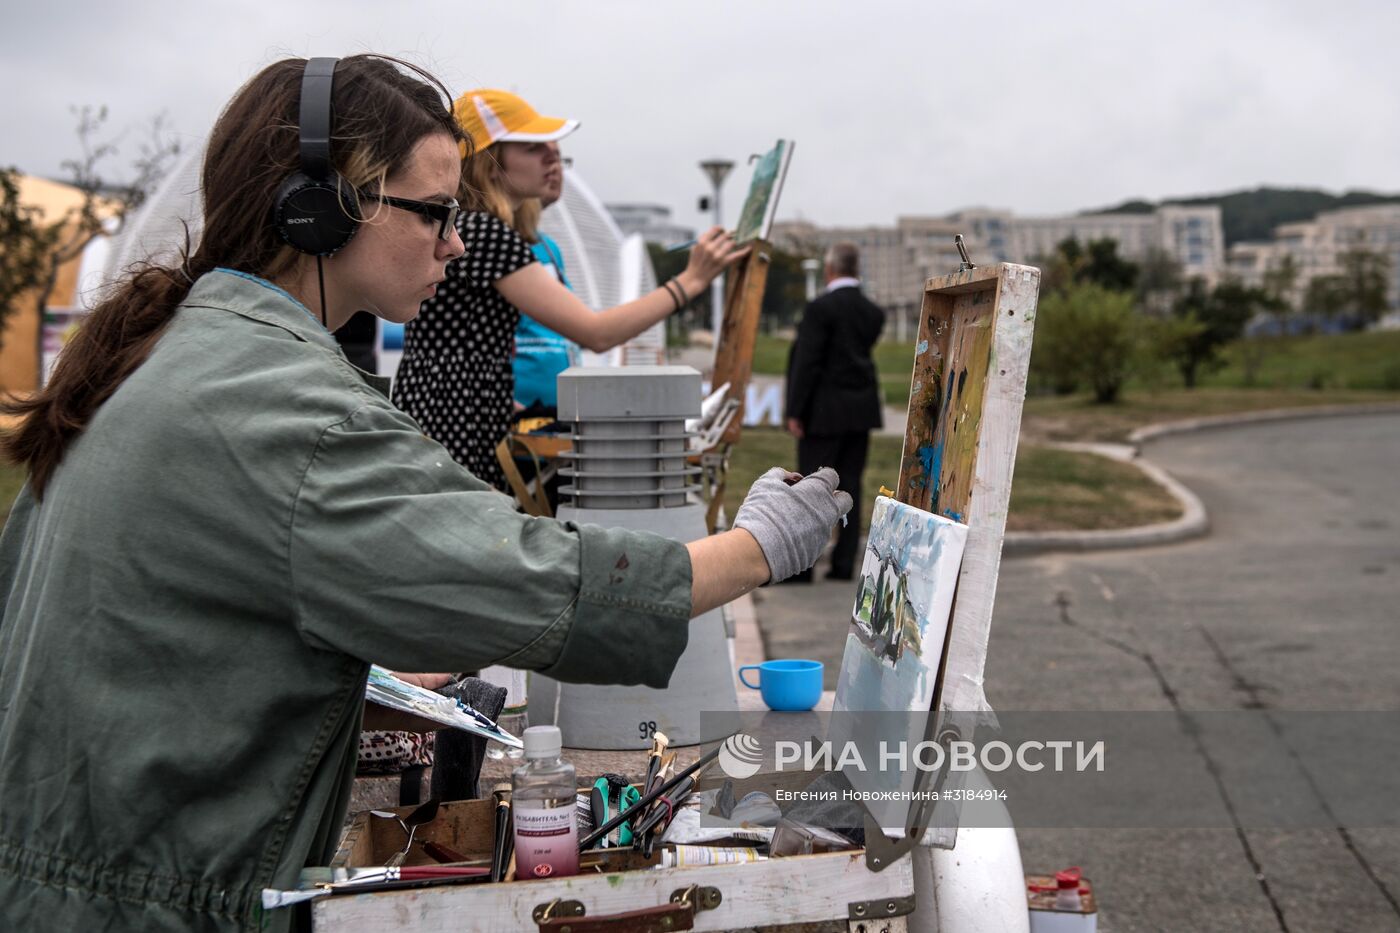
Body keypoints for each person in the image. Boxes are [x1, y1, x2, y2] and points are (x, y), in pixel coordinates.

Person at [0, 56, 848, 932]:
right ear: (326, 207)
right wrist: (756, 547)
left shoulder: (171, 353)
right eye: (436, 212)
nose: (454, 240)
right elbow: (539, 582)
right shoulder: (280, 403)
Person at [392, 89, 742, 489]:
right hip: (458, 420)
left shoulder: (469, 226)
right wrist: (690, 282)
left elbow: (460, 343)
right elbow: (595, 332)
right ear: (491, 161)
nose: (551, 158)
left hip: (444, 408)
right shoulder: (487, 232)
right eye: (534, 147)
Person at [785, 241, 886, 581]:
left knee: (813, 486)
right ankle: (844, 564)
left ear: (829, 269)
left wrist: (794, 409)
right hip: (860, 408)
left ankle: (805, 566)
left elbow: (807, 363)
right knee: (852, 483)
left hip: (823, 411)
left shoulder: (820, 309)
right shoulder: (873, 312)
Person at [512, 143, 576, 411]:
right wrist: (687, 284)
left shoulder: (549, 246)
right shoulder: (493, 240)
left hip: (552, 413)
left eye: (560, 157)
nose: (554, 167)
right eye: (538, 153)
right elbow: (596, 332)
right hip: (515, 418)